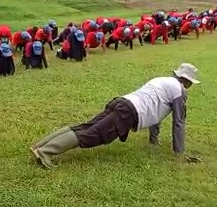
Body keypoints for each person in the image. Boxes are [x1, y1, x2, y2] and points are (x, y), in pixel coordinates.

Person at [30, 63, 200, 169]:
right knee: (92, 135)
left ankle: (39, 146)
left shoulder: (162, 81)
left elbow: (157, 114)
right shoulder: (180, 91)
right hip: (129, 112)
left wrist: (153, 140)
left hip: (121, 102)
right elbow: (179, 122)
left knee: (86, 127)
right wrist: (179, 152)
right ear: (188, 82)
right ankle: (46, 152)